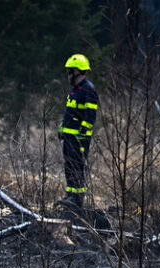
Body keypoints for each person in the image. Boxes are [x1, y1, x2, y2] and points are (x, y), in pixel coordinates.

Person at [58, 54, 98, 210]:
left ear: (78, 71)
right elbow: (69, 112)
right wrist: (62, 127)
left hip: (79, 137)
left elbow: (90, 115)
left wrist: (83, 132)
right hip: (69, 136)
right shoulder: (74, 90)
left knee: (78, 166)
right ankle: (70, 194)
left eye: (71, 70)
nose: (69, 73)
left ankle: (77, 199)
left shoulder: (88, 90)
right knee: (68, 165)